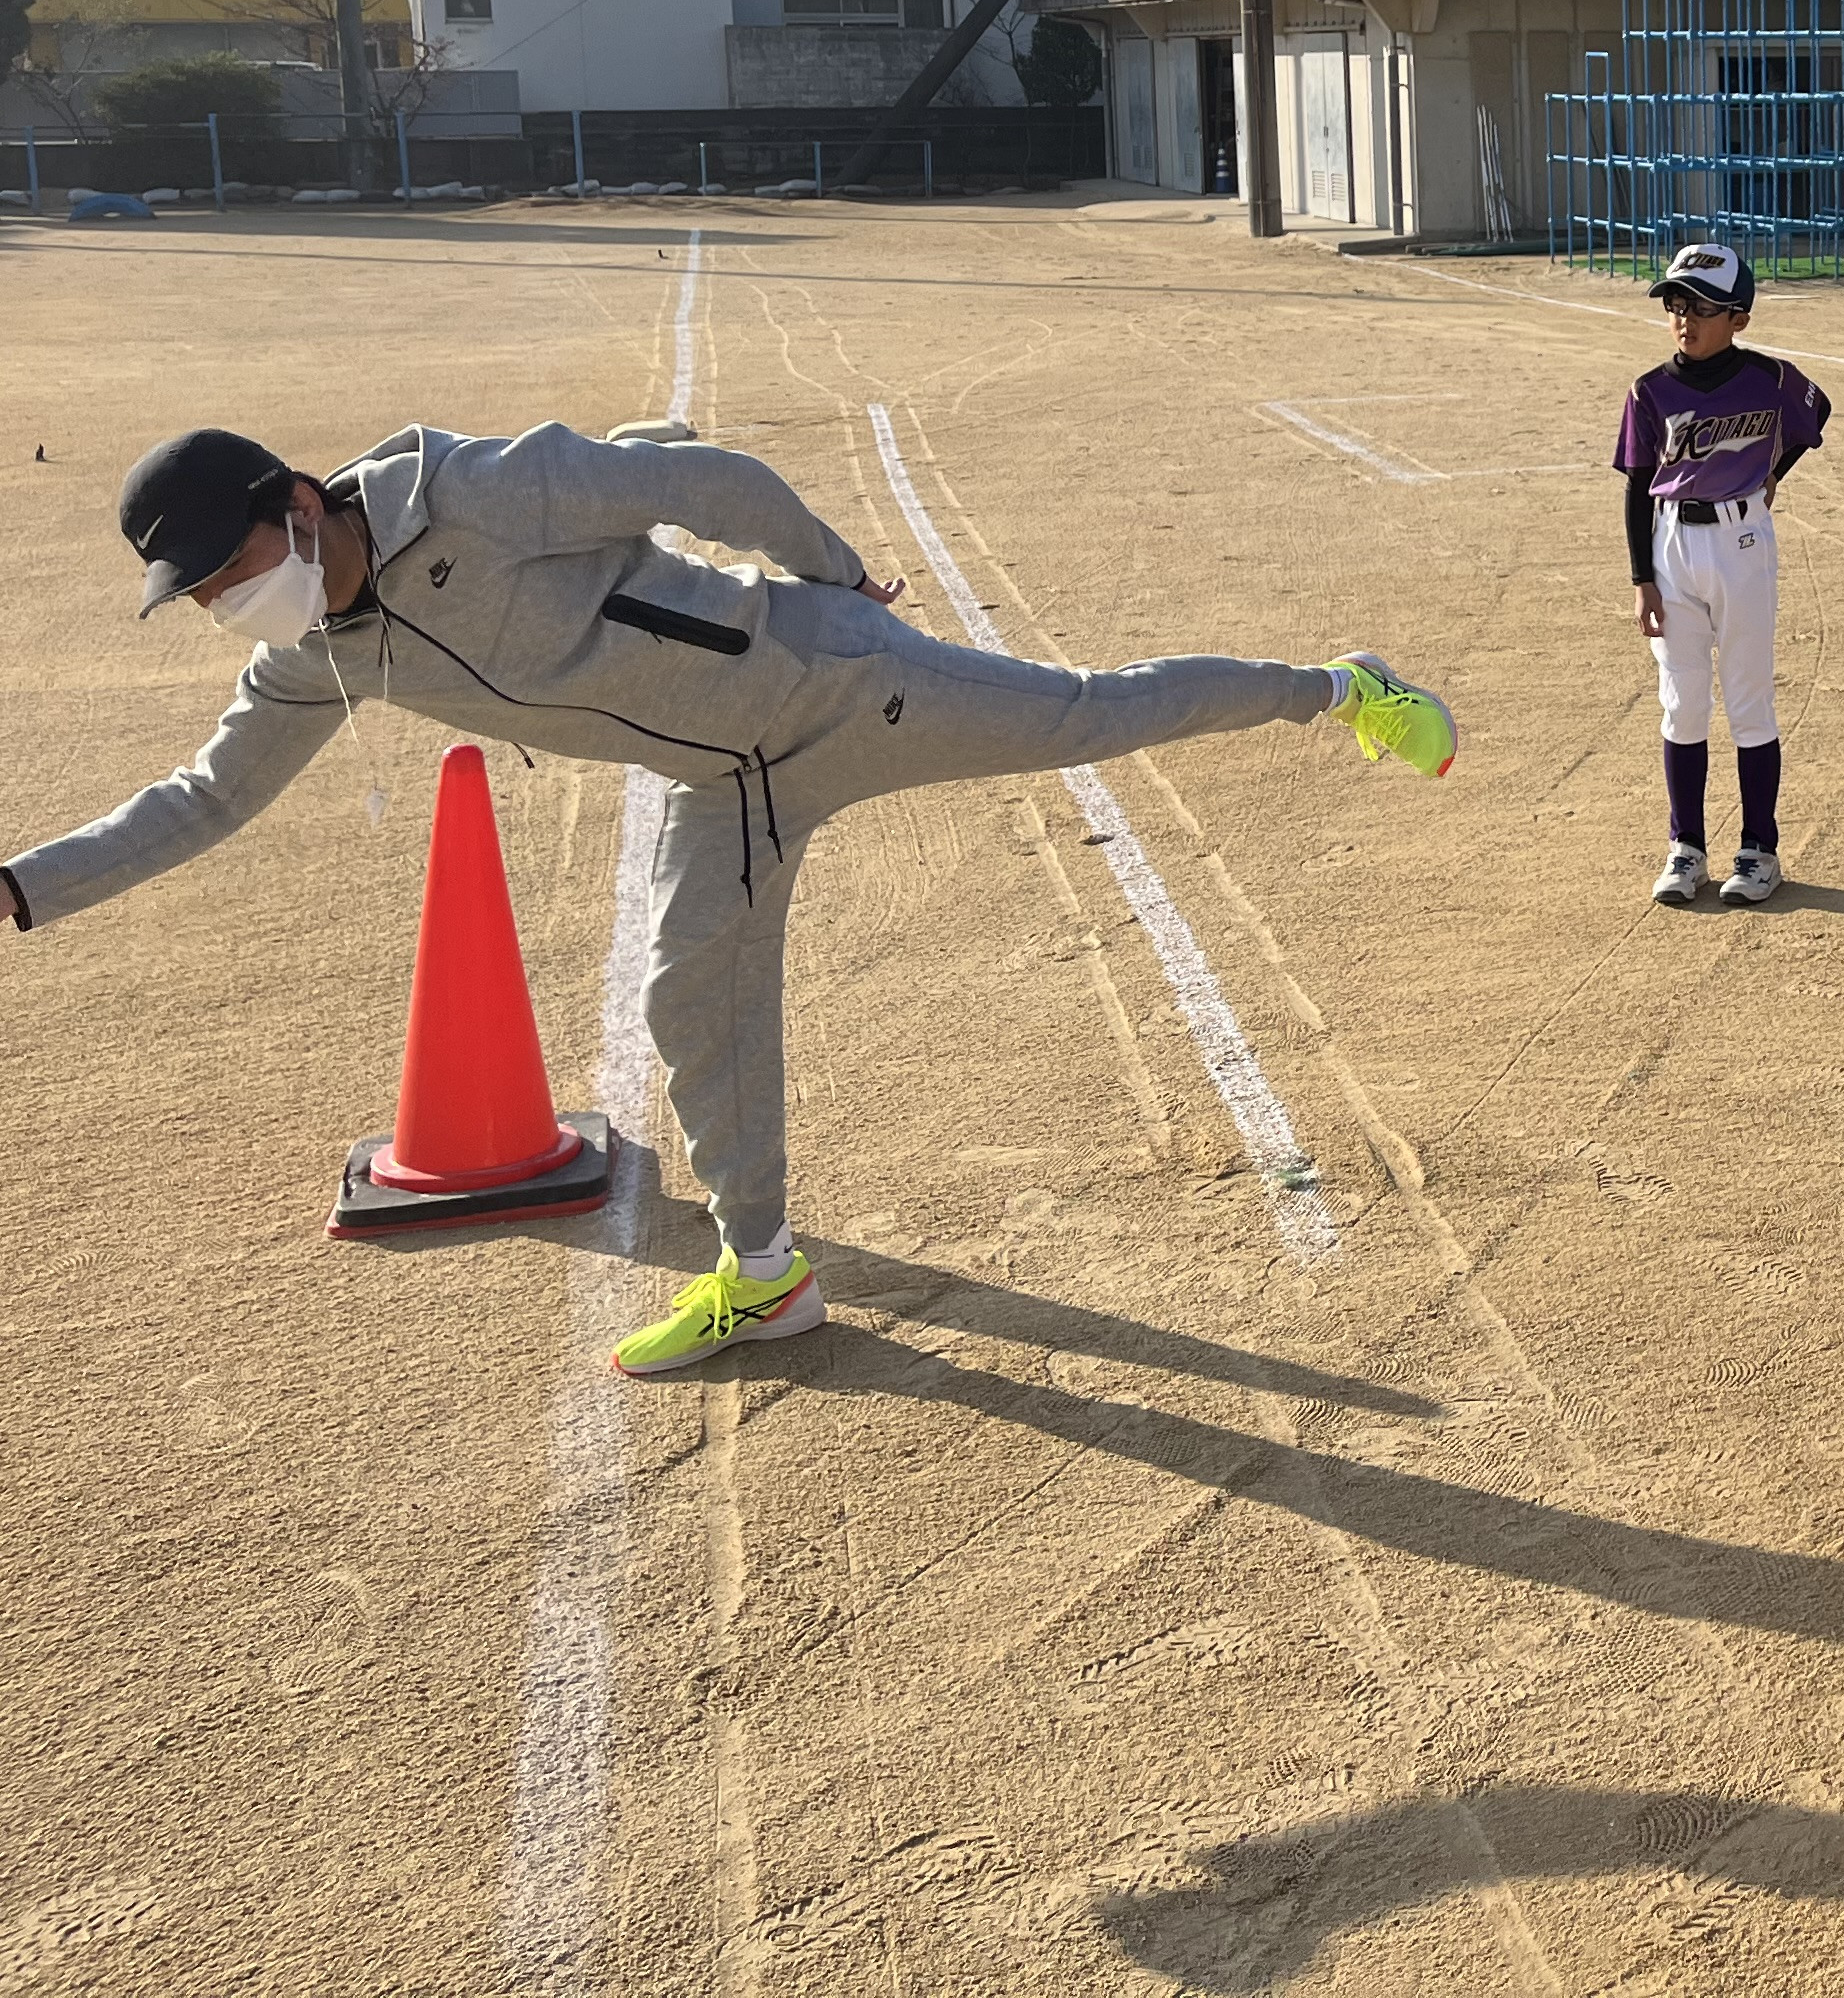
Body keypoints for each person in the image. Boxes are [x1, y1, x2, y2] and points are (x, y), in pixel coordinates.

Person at [11, 424, 1456, 1375]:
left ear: (296, 506)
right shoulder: (311, 662)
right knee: (687, 993)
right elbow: (204, 800)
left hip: (836, 680)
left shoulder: (472, 492)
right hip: (724, 782)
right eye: (198, 596)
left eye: (227, 570)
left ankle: (1340, 688)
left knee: (1090, 715)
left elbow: (701, 480)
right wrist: (20, 890)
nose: (223, 604)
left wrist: (837, 576)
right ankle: (764, 1273)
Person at [1617, 243, 1831, 909]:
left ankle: (1759, 849)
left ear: (1739, 318)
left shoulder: (1770, 379)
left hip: (1742, 540)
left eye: (1703, 308)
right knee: (1682, 702)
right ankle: (1686, 847)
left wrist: (1773, 471)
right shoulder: (1649, 390)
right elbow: (1637, 485)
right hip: (1672, 544)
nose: (1685, 318)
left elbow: (1814, 414)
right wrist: (1641, 578)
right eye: (1677, 304)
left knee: (1747, 698)